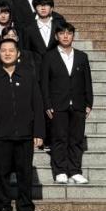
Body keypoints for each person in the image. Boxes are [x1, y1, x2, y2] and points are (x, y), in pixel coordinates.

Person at [0, 39, 46, 211]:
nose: (7, 53)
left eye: (11, 50)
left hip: (25, 133)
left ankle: (25, 208)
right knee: (1, 173)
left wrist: (39, 132)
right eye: (4, 50)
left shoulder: (28, 75)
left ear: (18, 54)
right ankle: (2, 208)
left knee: (24, 173)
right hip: (1, 134)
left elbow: (37, 104)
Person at [40, 22, 94, 185]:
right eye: (62, 33)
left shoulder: (82, 57)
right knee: (59, 138)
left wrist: (89, 102)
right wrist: (47, 104)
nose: (65, 36)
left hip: (78, 104)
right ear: (56, 36)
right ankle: (60, 171)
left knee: (76, 139)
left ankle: (75, 171)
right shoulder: (49, 57)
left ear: (73, 36)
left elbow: (87, 81)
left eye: (69, 33)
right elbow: (44, 83)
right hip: (57, 104)